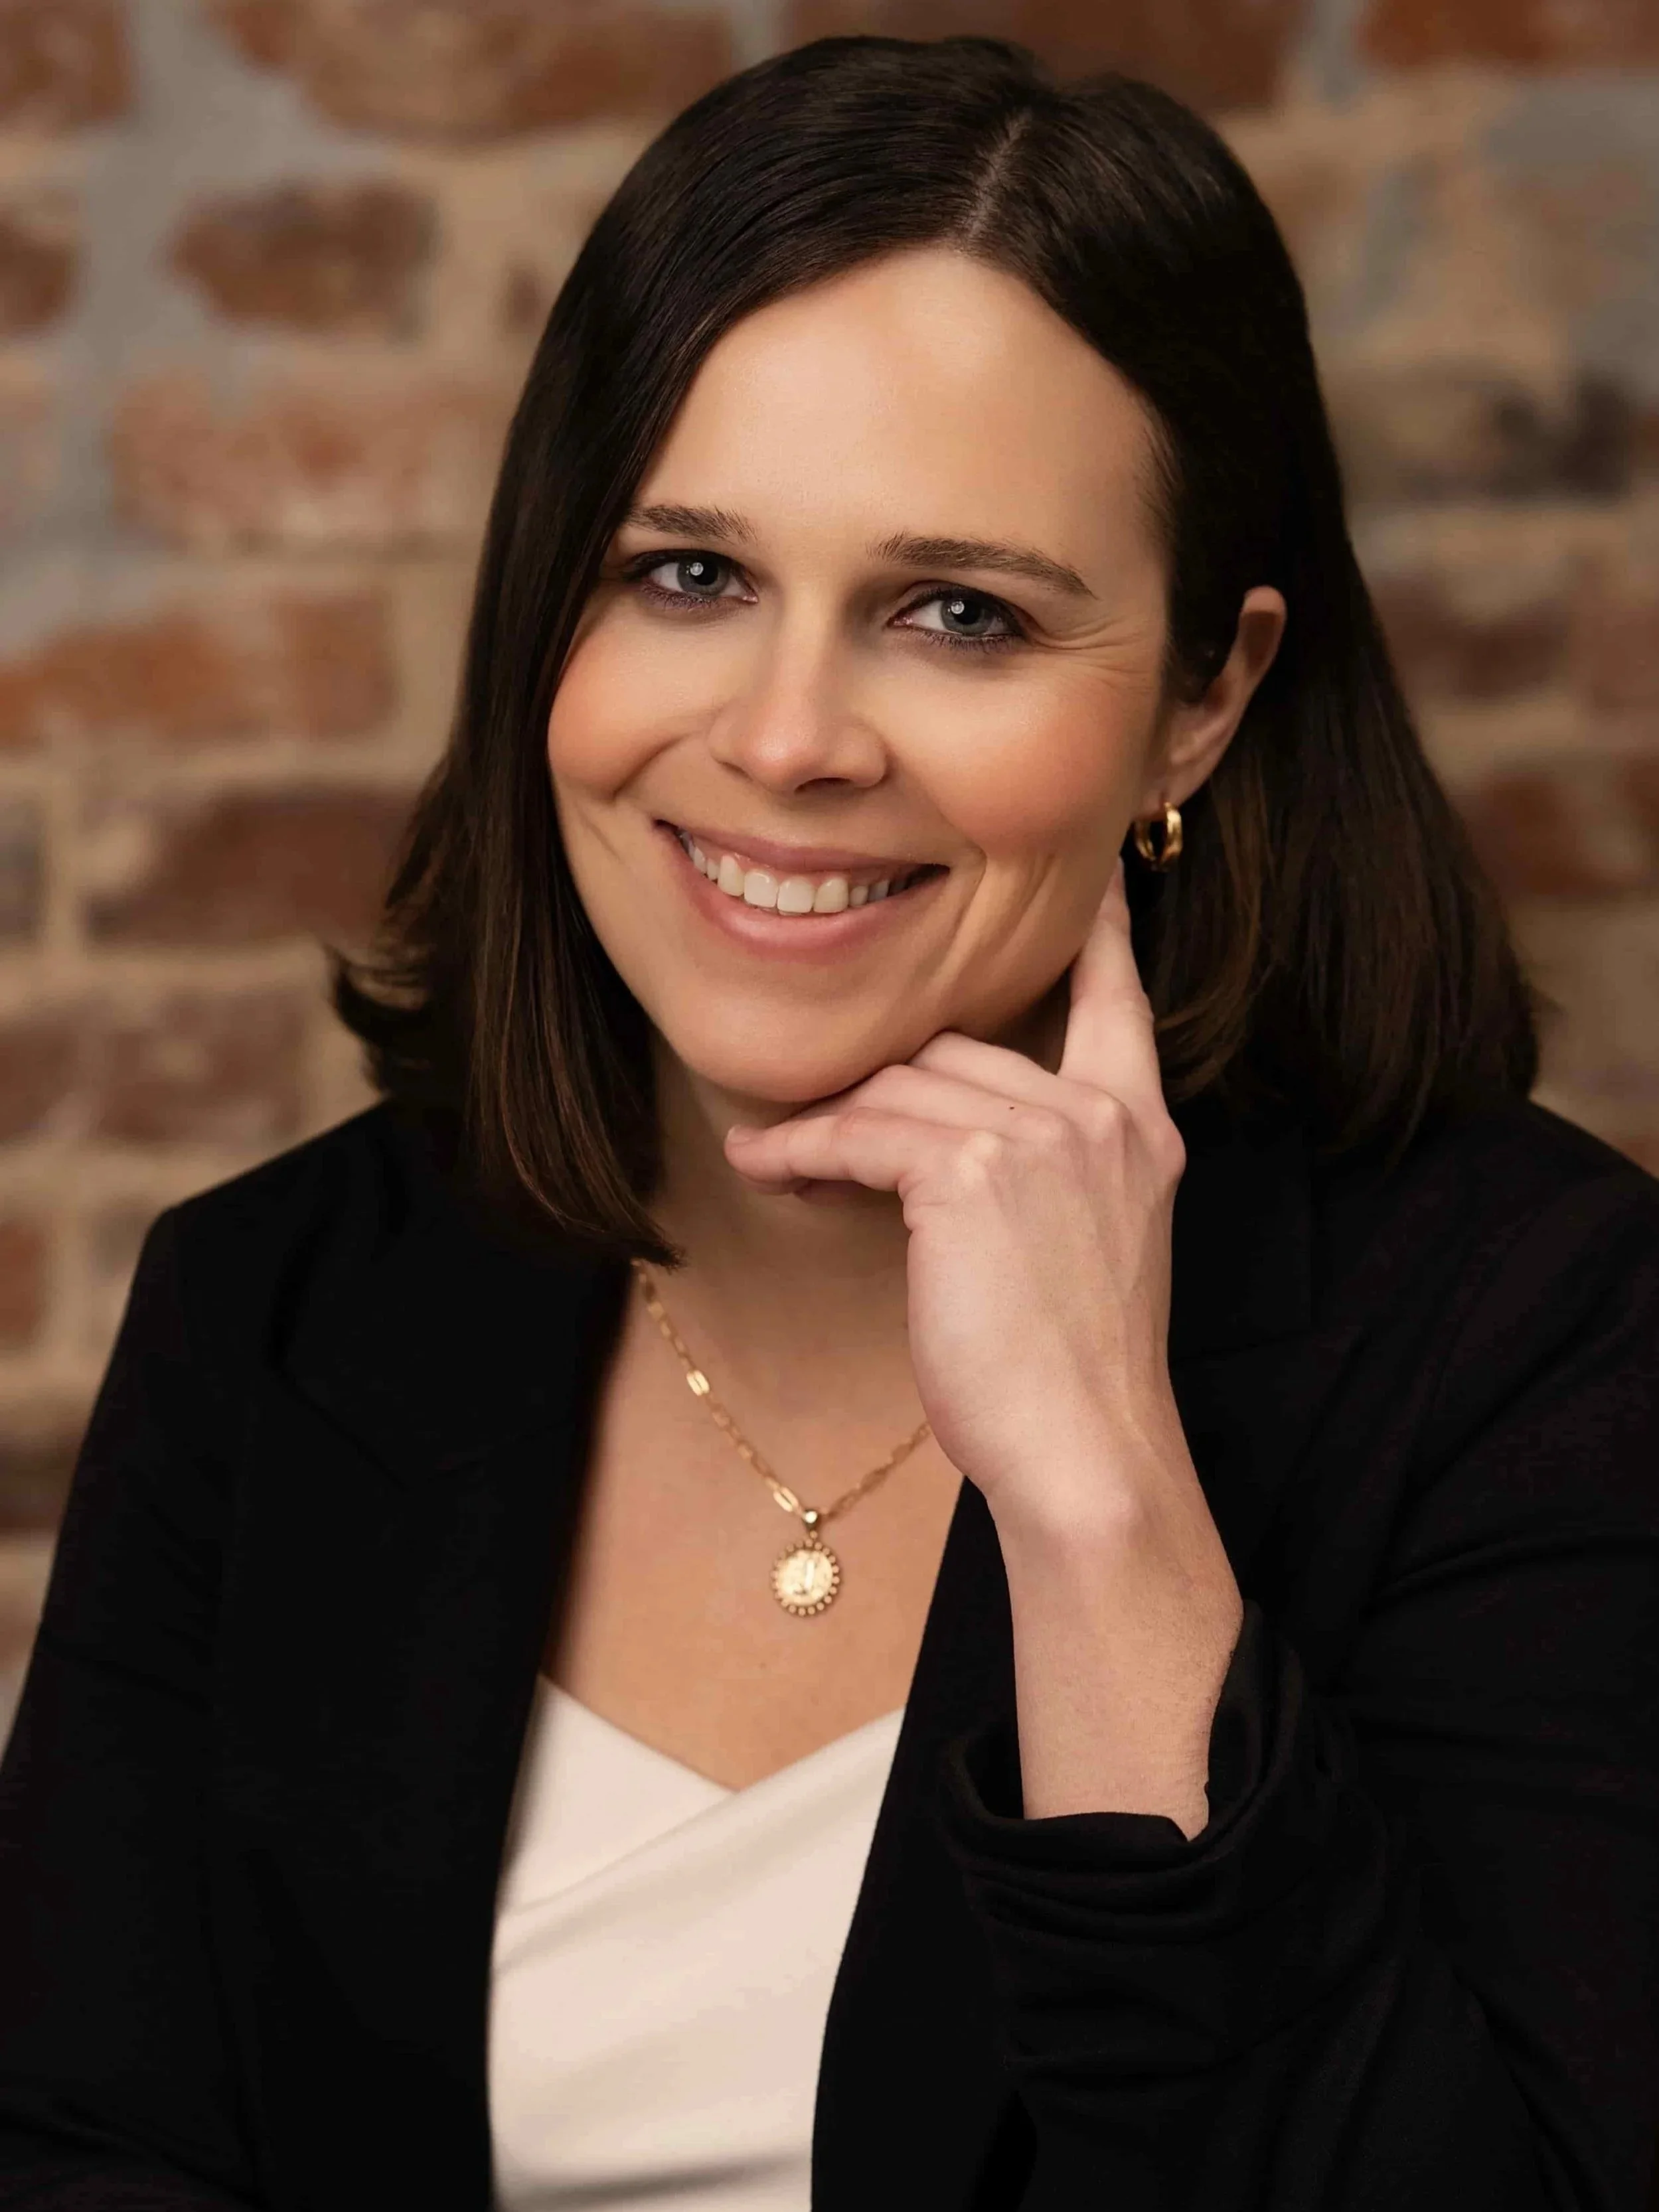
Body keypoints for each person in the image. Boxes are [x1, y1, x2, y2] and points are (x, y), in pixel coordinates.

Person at [1, 31, 1655, 2212]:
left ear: (1206, 697)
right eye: (687, 573)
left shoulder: (1544, 1343)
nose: (785, 739)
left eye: (956, 613)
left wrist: (1101, 1508)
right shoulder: (276, 1303)